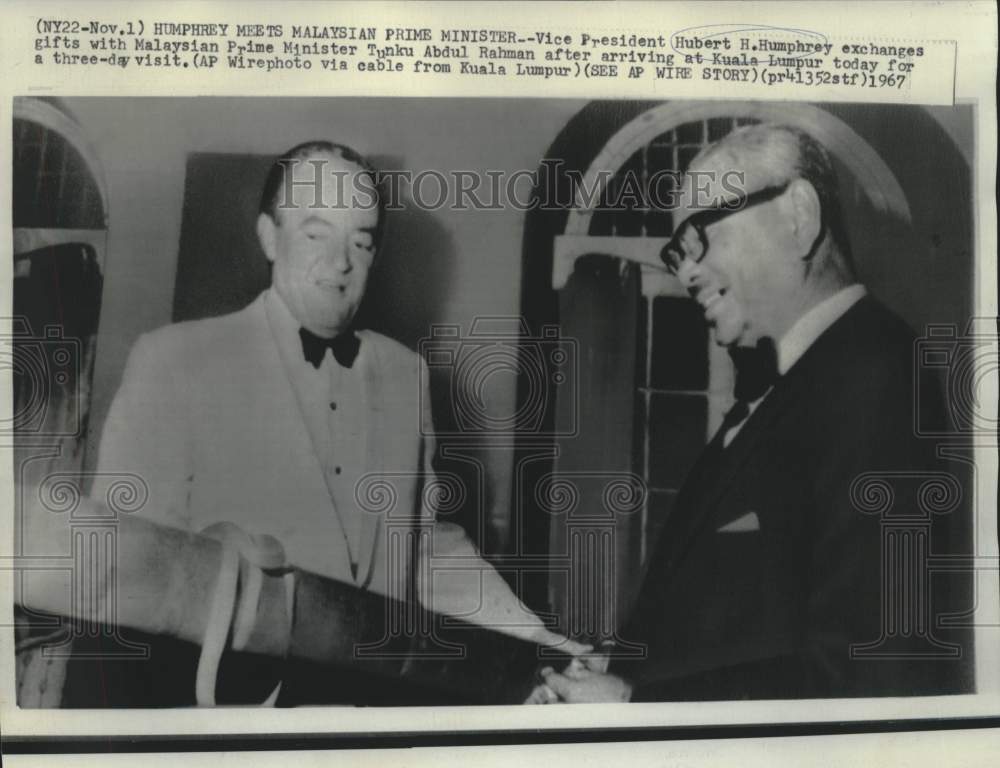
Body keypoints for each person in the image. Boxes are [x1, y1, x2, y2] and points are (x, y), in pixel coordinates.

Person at [89, 141, 574, 705]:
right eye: (317, 233)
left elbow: (425, 552)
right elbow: (122, 563)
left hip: (374, 721)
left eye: (361, 241)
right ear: (270, 236)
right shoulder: (175, 360)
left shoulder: (405, 374)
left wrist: (536, 643)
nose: (341, 262)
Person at [539, 124, 972, 702]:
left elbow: (872, 676)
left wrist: (629, 706)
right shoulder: (799, 381)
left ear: (799, 216)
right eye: (676, 253)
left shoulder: (877, 375)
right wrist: (616, 671)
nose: (684, 272)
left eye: (698, 237)